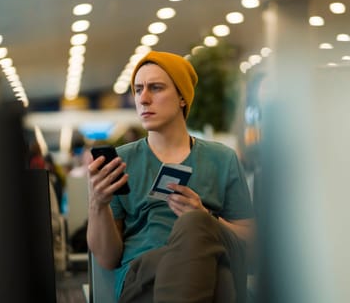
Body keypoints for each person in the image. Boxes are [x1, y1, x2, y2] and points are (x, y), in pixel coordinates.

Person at [87, 51, 255, 302]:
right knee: (218, 278)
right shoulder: (121, 162)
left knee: (195, 225)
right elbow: (107, 258)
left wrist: (206, 219)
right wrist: (98, 204)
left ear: (182, 98)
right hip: (146, 273)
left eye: (155, 88)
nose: (143, 99)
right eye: (138, 89)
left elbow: (250, 241)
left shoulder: (222, 159)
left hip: (207, 264)